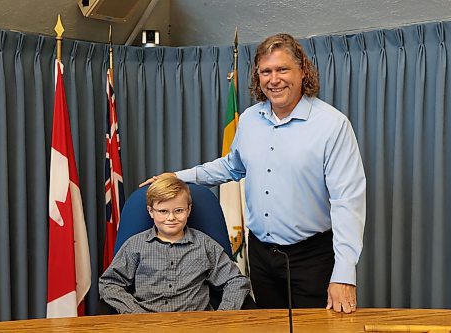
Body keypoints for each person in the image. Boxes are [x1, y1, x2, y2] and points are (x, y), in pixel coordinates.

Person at [142, 33, 366, 314]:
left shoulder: (332, 125)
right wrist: (178, 176)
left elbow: (348, 203)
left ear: (303, 71)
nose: (274, 79)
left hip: (312, 258)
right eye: (266, 71)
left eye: (283, 69)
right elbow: (232, 166)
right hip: (261, 256)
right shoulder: (249, 119)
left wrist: (344, 273)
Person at [99, 175, 251, 313]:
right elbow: (110, 283)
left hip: (195, 324)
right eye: (163, 211)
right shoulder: (135, 245)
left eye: (179, 210)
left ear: (189, 210)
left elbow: (235, 280)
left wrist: (223, 315)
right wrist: (135, 313)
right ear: (151, 211)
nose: (171, 218)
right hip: (147, 324)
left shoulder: (205, 245)